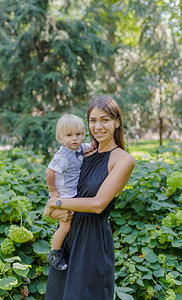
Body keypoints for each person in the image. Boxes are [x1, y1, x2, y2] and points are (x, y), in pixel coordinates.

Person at [44, 95, 135, 300]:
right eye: (93, 120)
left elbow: (97, 204)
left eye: (105, 119)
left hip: (92, 242)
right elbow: (60, 186)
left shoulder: (123, 160)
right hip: (67, 238)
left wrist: (56, 203)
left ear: (117, 122)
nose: (98, 126)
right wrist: (54, 210)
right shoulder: (80, 155)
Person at [46, 114, 95, 271]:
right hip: (63, 196)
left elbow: (92, 146)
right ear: (60, 138)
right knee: (65, 227)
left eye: (78, 134)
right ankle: (54, 253)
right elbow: (49, 172)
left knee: (71, 225)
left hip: (72, 194)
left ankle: (67, 250)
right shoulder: (62, 156)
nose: (75, 138)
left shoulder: (80, 147)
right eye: (69, 135)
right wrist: (53, 191)